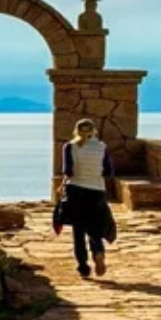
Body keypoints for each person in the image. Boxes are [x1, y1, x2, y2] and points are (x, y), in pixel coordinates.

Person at [55, 119, 115, 278]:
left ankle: (83, 266)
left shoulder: (69, 147)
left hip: (76, 191)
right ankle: (98, 252)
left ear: (76, 131)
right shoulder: (102, 147)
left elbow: (68, 171)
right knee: (95, 228)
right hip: (96, 191)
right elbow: (108, 171)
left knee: (78, 230)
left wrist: (63, 185)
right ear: (94, 131)